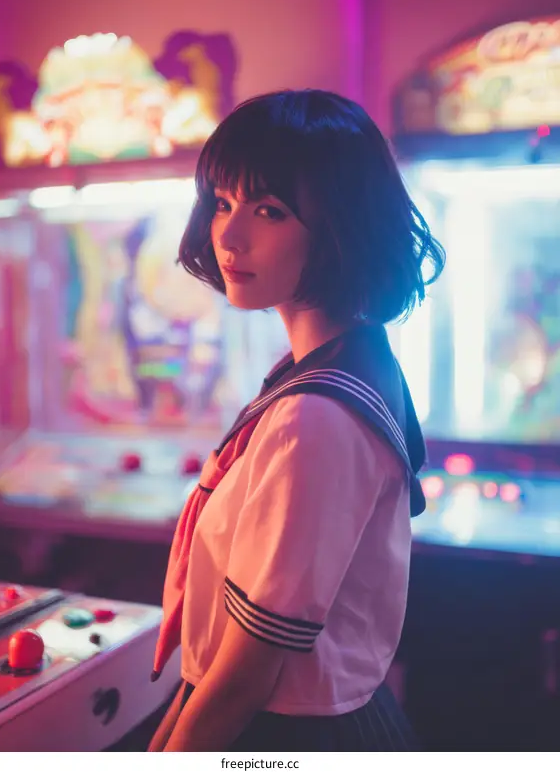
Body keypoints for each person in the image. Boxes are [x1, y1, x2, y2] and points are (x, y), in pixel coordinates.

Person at [147, 89, 445, 752]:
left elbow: (248, 672)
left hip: (292, 736)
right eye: (222, 203)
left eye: (269, 210)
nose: (229, 236)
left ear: (341, 225)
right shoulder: (345, 360)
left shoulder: (316, 414)